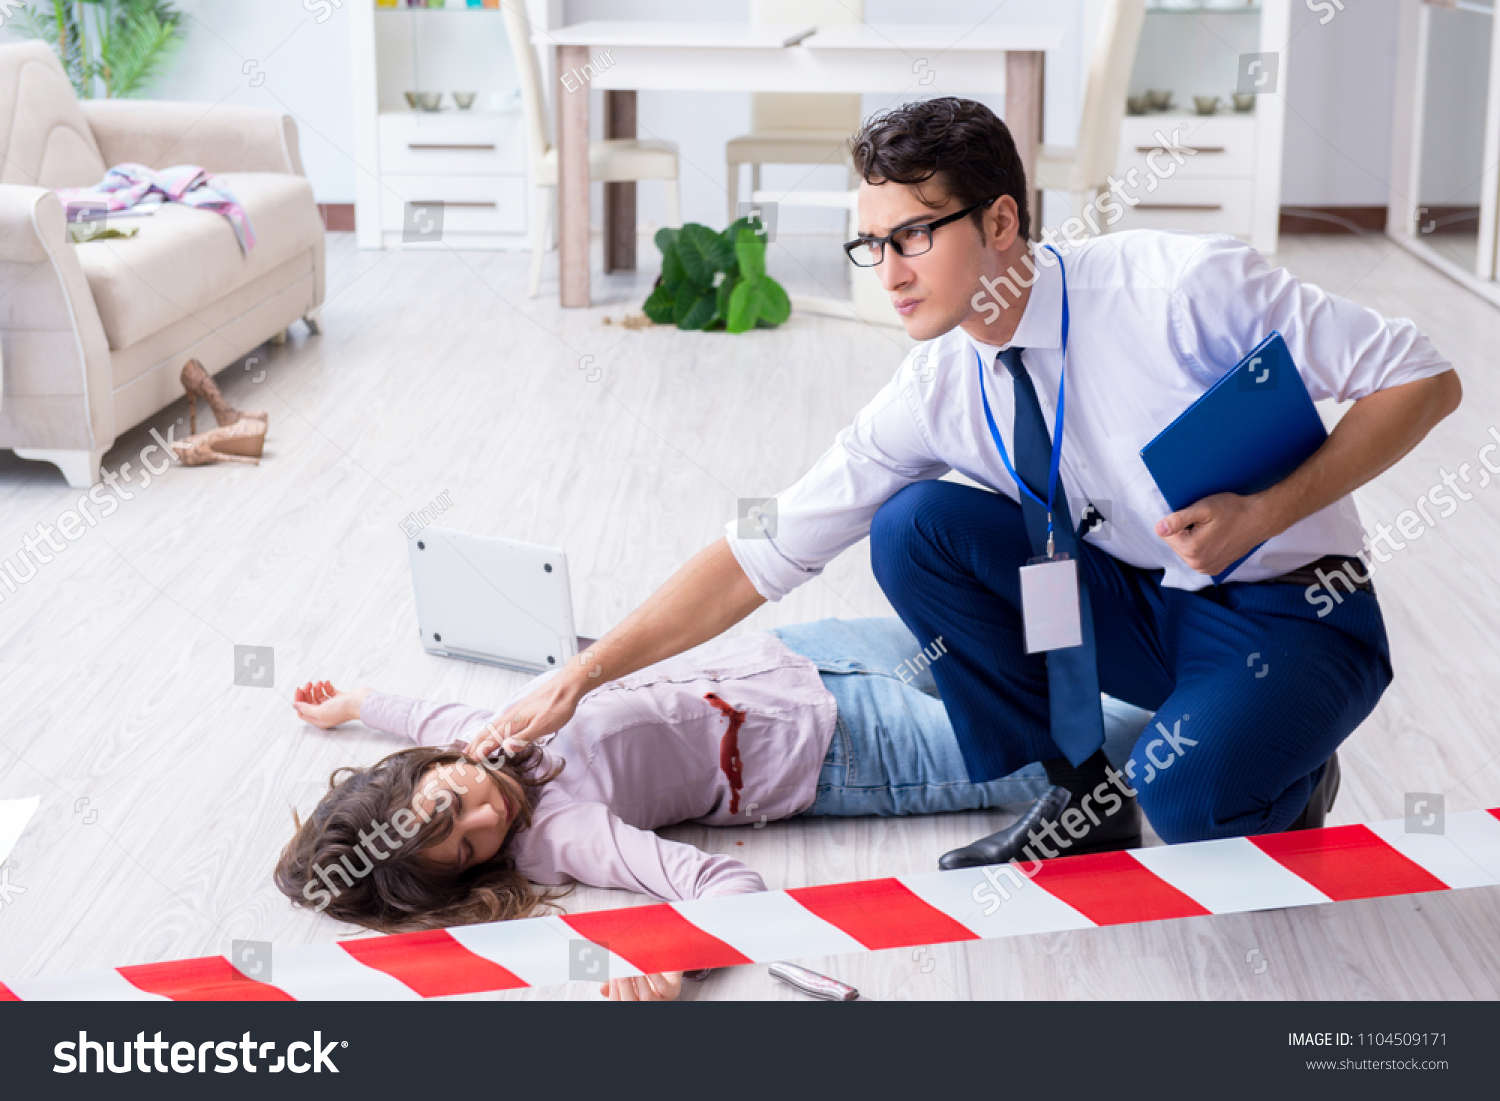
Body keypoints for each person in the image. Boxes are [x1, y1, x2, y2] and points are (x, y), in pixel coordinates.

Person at [467, 97, 1461, 871]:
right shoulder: (938, 384)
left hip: (1293, 615)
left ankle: (1286, 767)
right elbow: (760, 547)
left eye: (913, 236)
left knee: (1191, 805)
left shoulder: (1180, 290)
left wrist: (1267, 511)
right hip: (1148, 608)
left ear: (1001, 221)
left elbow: (1424, 376)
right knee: (917, 527)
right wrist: (580, 676)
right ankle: (1078, 794)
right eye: (872, 243)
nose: (887, 270)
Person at [274, 616, 1153, 1000]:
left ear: (429, 767)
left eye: (448, 799)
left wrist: (350, 701)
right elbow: (727, 885)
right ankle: (1267, 738)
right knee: (1118, 741)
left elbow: (417, 715)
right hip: (844, 749)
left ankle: (1232, 650)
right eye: (467, 850)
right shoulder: (563, 830)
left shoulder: (476, 740)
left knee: (1045, 651)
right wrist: (674, 958)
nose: (483, 816)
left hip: (802, 655)